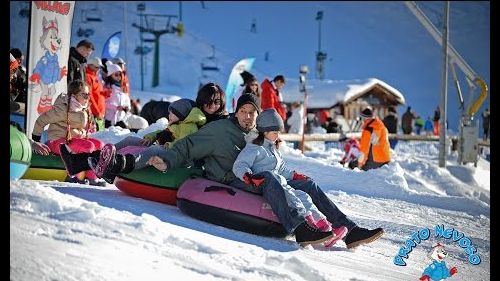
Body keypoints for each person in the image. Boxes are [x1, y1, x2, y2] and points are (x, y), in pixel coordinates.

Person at [59, 94, 384, 248]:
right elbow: (187, 148)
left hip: (255, 175)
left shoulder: (256, 134)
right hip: (230, 180)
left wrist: (289, 173)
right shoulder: (219, 132)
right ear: (236, 111)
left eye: (252, 113)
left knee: (309, 182)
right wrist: (167, 160)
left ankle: (350, 230)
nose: (248, 117)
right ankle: (300, 228)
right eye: (244, 111)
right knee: (269, 179)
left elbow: (271, 160)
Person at [233, 108, 348, 246]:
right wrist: (248, 177)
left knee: (304, 197)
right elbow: (239, 165)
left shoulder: (273, 149)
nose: (277, 136)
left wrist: (295, 175)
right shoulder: (254, 147)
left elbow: (281, 169)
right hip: (267, 184)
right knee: (296, 201)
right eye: (275, 132)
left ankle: (326, 227)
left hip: (282, 183)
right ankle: (312, 227)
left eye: (278, 132)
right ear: (264, 131)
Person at [31, 80, 105, 185]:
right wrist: (36, 140)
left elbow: (77, 130)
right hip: (57, 142)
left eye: (88, 95)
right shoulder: (62, 108)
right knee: (88, 146)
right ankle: (76, 176)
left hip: (72, 140)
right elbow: (41, 120)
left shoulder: (82, 109)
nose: (87, 98)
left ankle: (91, 178)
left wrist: (82, 134)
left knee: (99, 145)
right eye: (84, 95)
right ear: (74, 95)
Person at [358, 106, 391, 171]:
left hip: (375, 159)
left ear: (365, 119)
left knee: (362, 175)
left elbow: (364, 149)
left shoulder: (368, 130)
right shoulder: (381, 125)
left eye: (361, 118)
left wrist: (359, 164)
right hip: (386, 158)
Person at [103, 61, 130, 129]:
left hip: (120, 117)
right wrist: (116, 107)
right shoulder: (107, 87)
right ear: (110, 75)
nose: (119, 77)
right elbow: (104, 102)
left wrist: (126, 107)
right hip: (109, 119)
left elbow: (126, 100)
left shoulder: (122, 87)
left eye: (120, 75)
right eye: (116, 75)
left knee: (126, 132)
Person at [85, 57, 107, 131]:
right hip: (95, 113)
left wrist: (106, 93)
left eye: (99, 67)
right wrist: (97, 112)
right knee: (97, 136)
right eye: (96, 67)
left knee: (101, 134)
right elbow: (89, 96)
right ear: (90, 65)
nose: (98, 69)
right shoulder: (87, 77)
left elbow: (97, 93)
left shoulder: (95, 77)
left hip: (100, 113)